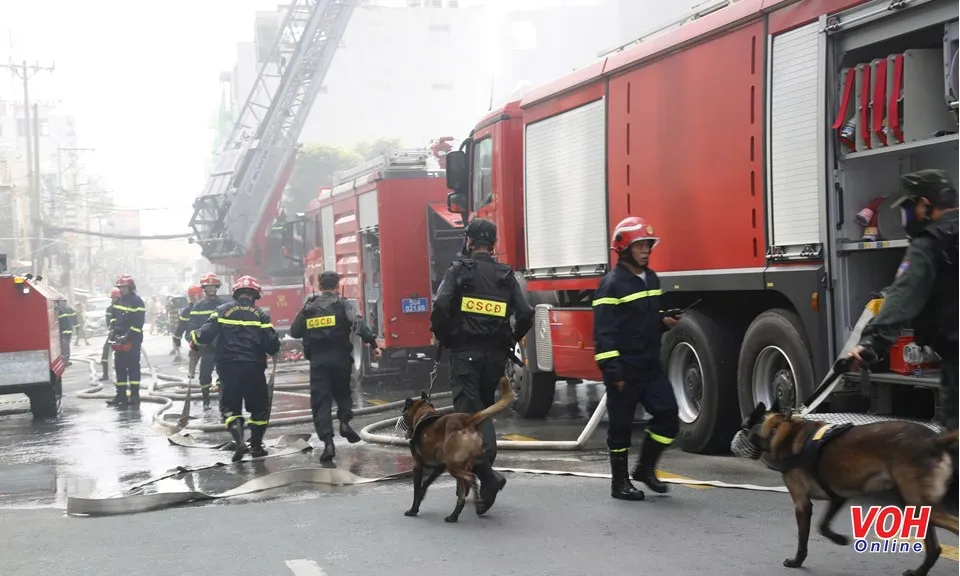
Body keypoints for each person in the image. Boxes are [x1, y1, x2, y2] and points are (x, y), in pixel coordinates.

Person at [849, 169, 958, 508]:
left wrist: (872, 345)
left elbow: (902, 296)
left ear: (924, 205)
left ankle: (948, 500)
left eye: (907, 208)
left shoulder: (931, 243)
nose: (904, 215)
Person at [430, 217, 534, 515]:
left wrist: (443, 334)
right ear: (494, 243)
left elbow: (441, 306)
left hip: (465, 354)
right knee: (483, 411)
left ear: (468, 241)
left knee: (468, 417)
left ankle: (488, 475)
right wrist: (511, 338)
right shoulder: (505, 275)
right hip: (495, 356)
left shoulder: (458, 271)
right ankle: (485, 474)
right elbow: (525, 312)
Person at [593, 216, 681, 501]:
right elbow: (604, 333)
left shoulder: (651, 279)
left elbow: (645, 320)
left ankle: (645, 468)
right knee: (621, 428)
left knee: (668, 416)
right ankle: (619, 483)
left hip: (650, 365)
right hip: (624, 368)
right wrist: (613, 371)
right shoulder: (611, 285)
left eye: (648, 245)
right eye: (640, 245)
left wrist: (662, 322)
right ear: (623, 248)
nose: (646, 250)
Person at [290, 271, 380, 462]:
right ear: (337, 286)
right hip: (340, 359)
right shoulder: (344, 305)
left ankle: (328, 443)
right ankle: (345, 423)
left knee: (321, 403)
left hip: (318, 362)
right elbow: (359, 325)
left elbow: (294, 331)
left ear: (320, 286)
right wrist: (373, 345)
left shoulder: (310, 306)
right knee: (343, 393)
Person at [191, 275, 280, 463]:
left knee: (231, 407)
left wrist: (194, 339)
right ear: (255, 295)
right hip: (254, 368)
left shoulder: (222, 311)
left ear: (236, 293)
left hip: (228, 367)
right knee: (259, 409)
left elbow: (204, 335)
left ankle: (239, 442)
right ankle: (256, 446)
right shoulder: (261, 315)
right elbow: (272, 345)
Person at [180, 274, 225, 409]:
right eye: (208, 286)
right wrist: (192, 338)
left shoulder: (223, 305)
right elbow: (191, 325)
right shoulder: (198, 306)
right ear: (204, 288)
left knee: (223, 374)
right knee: (205, 374)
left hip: (222, 345)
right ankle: (206, 400)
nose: (211, 289)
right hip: (206, 347)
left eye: (213, 286)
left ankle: (223, 398)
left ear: (217, 287)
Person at [106, 274, 146, 407]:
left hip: (133, 340)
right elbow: (113, 318)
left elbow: (138, 323)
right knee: (119, 368)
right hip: (119, 339)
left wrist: (127, 337)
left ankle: (134, 395)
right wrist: (112, 331)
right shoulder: (118, 301)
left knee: (133, 367)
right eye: (120, 287)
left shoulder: (137, 302)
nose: (121, 289)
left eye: (124, 287)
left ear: (130, 287)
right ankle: (121, 395)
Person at [173, 285, 202, 366]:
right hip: (199, 337)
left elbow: (180, 327)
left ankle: (192, 370)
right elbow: (181, 326)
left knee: (196, 352)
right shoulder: (207, 306)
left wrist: (177, 338)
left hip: (194, 337)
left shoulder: (186, 311)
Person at [100, 288, 121, 381]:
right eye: (113, 298)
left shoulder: (124, 307)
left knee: (122, 355)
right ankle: (105, 375)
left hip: (123, 334)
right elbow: (109, 323)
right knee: (105, 352)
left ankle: (122, 373)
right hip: (113, 333)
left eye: (115, 298)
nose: (114, 300)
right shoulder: (110, 309)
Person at [56, 301, 78, 366]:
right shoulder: (64, 309)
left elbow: (74, 320)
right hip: (66, 331)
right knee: (65, 346)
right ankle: (65, 360)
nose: (61, 303)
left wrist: (77, 328)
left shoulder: (60, 310)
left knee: (65, 346)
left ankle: (65, 360)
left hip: (64, 331)